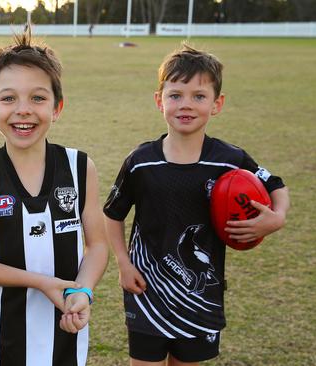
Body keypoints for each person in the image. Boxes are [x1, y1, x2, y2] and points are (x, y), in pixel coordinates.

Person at [103, 43, 290, 366]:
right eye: (175, 95)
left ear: (217, 104)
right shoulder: (141, 162)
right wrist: (123, 263)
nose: (186, 105)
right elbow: (113, 214)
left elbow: (276, 186)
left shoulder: (230, 161)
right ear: (159, 100)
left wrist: (277, 218)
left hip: (201, 296)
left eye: (199, 96)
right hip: (147, 290)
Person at [0, 26, 108, 366]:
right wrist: (42, 283)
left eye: (38, 98)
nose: (23, 110)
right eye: (8, 98)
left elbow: (97, 244)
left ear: (58, 107)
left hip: (66, 338)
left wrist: (82, 290)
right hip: (2, 344)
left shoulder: (80, 167)